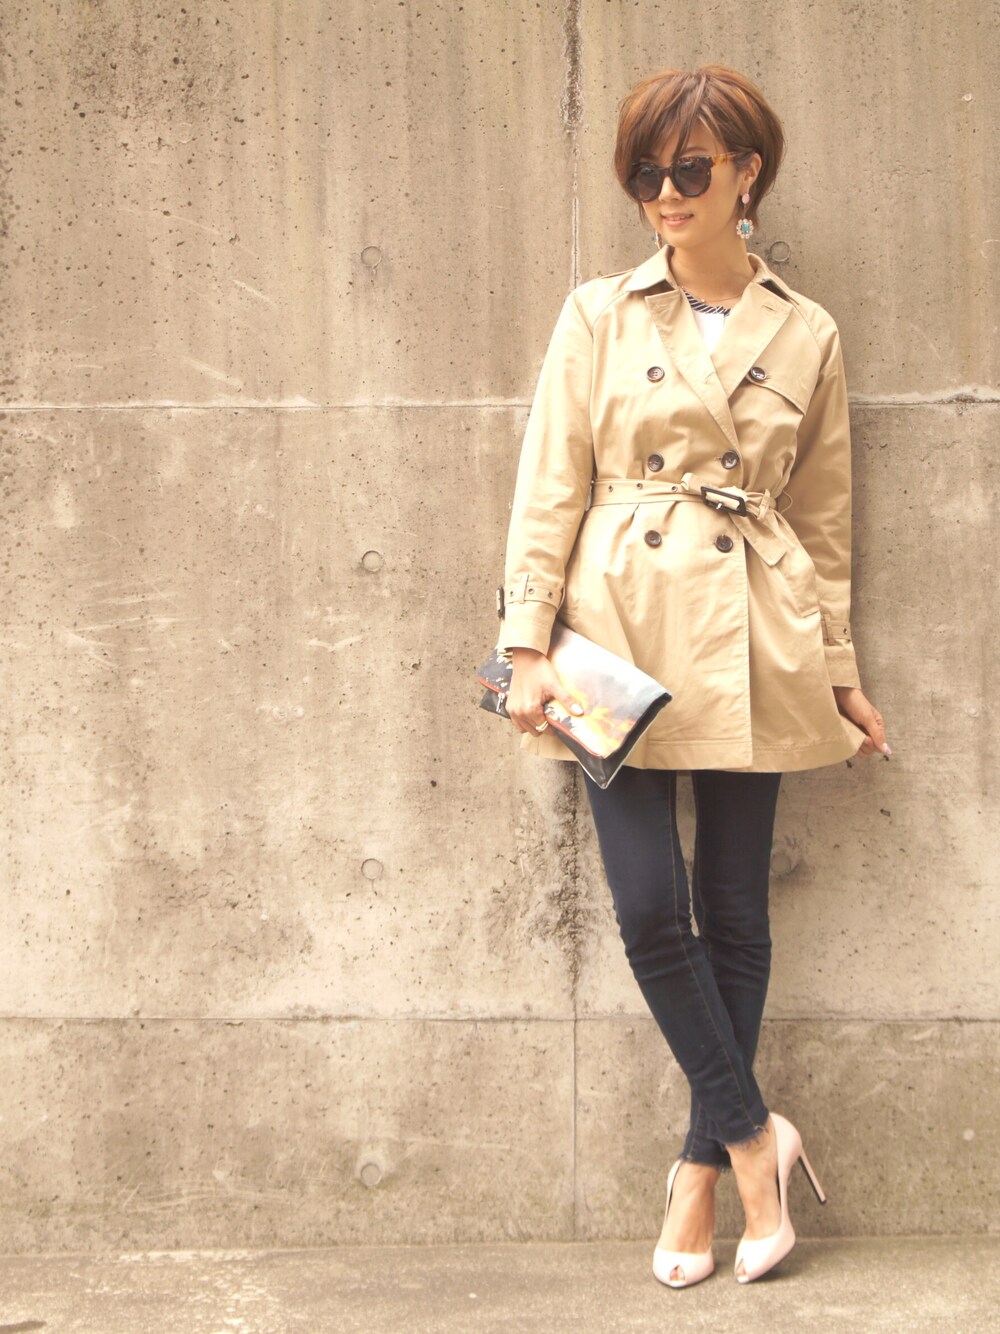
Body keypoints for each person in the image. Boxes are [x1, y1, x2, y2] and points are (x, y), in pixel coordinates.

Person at [498, 66, 889, 1287]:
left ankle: (697, 1172)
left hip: (752, 630)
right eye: (644, 174)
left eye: (688, 170)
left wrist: (837, 669)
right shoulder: (598, 313)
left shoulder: (805, 330)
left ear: (745, 174)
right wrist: (523, 645)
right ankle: (751, 1135)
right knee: (647, 910)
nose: (663, 194)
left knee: (735, 908)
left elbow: (822, 521)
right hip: (612, 631)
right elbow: (549, 482)